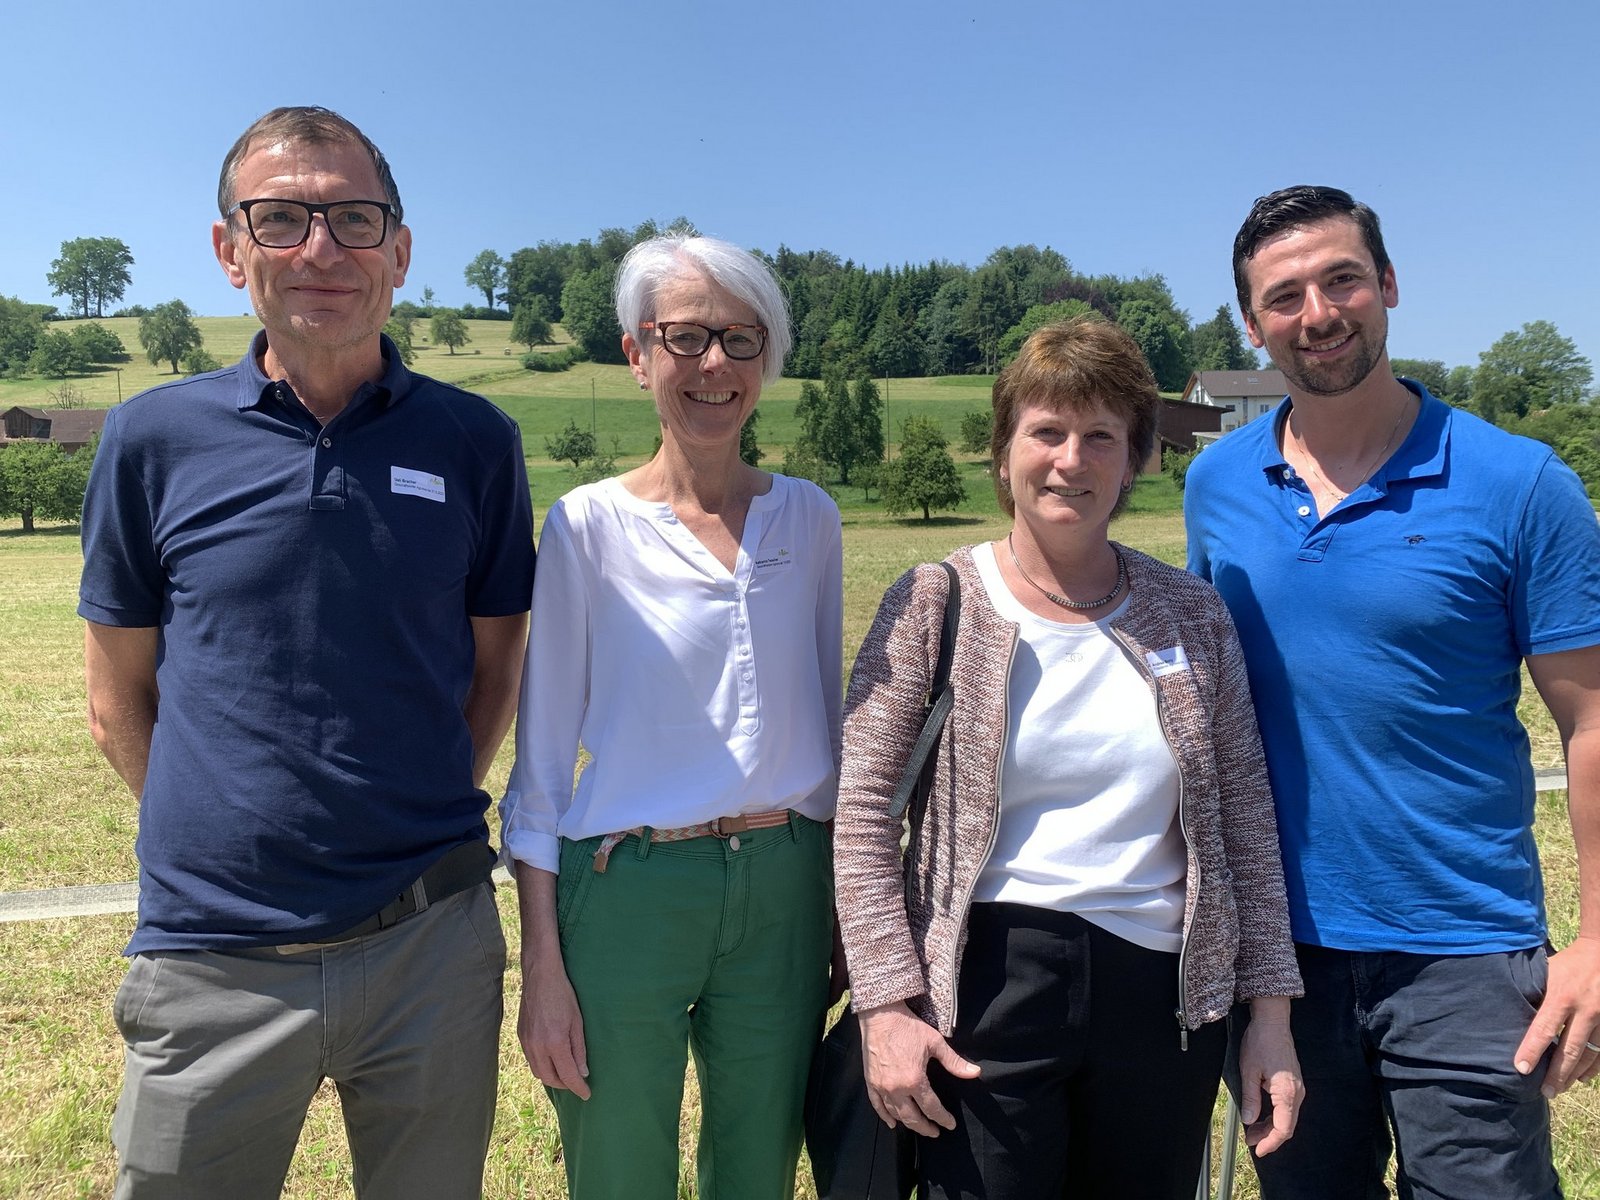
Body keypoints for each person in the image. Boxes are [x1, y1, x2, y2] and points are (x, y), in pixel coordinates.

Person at [78, 106, 535, 1199]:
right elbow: (116, 695)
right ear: (229, 248)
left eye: (354, 219)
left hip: (431, 944)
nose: (321, 249)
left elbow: (495, 670)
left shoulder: (476, 441)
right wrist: (227, 835)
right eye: (280, 219)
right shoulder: (150, 440)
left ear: (400, 251)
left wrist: (402, 821)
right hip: (211, 956)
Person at [1186, 184, 1600, 1199]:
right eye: (1284, 296)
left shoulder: (1520, 484)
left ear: (1389, 284)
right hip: (1277, 957)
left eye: (1343, 280)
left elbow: (1591, 721)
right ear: (1251, 324)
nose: (1318, 313)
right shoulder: (1217, 484)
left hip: (1464, 951)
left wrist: (1597, 942)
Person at [834, 316, 1304, 1199]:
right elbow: (861, 813)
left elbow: (1245, 819)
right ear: (1003, 450)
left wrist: (1270, 1018)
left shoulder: (1192, 614)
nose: (1070, 460)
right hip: (986, 984)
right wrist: (887, 1003)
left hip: (1163, 997)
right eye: (1046, 431)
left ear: (1135, 462)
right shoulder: (937, 600)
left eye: (1101, 437)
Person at [499, 233, 843, 1200]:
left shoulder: (811, 519)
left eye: (740, 338)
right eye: (686, 336)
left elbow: (831, 735)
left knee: (760, 1171)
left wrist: (843, 908)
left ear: (767, 358)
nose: (714, 364)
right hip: (627, 888)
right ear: (638, 353)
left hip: (784, 884)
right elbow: (540, 767)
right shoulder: (586, 527)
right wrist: (543, 968)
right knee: (618, 1171)